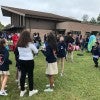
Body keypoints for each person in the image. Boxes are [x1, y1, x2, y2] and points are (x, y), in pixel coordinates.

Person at [16, 30, 38, 97]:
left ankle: (22, 90)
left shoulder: (19, 44)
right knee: (30, 76)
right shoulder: (30, 44)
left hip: (21, 61)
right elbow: (36, 51)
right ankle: (31, 91)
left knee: (23, 75)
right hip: (29, 61)